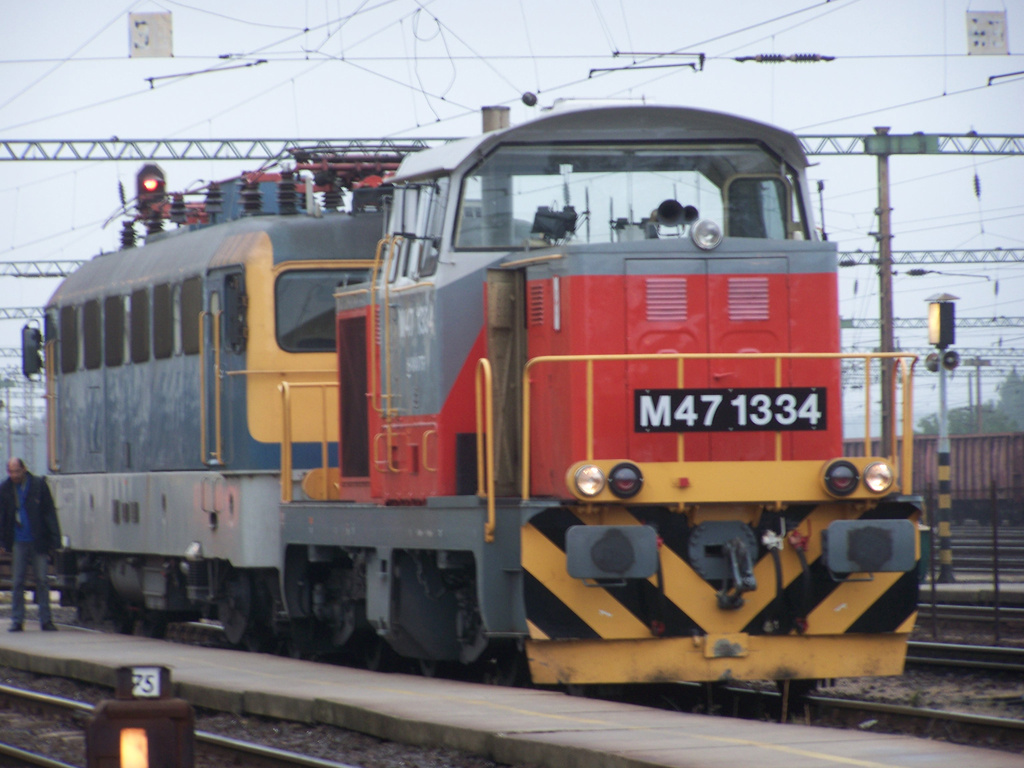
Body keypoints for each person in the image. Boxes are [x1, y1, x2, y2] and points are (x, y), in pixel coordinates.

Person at [0, 458, 61, 632]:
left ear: (24, 469)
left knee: (42, 580)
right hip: (18, 541)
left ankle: (46, 620)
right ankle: (17, 620)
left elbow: (49, 512)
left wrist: (54, 539)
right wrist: (3, 541)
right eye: (11, 472)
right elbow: (2, 517)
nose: (14, 475)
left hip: (38, 539)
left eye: (17, 471)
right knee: (17, 581)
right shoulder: (5, 489)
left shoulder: (38, 485)